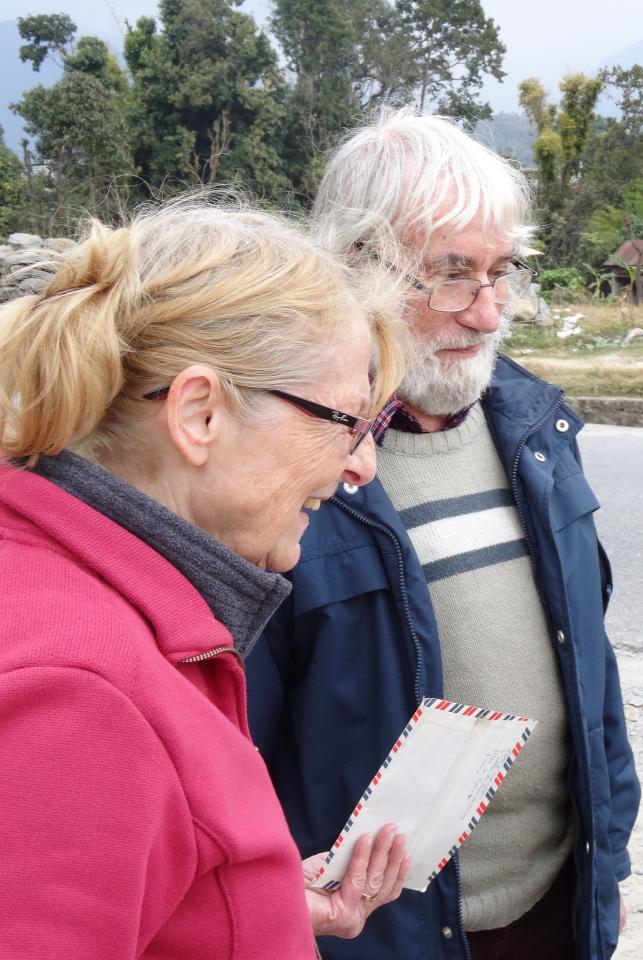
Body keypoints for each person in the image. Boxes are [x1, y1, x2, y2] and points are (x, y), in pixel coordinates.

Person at [246, 107, 639, 960]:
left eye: (503, 273)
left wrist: (611, 836)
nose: (489, 312)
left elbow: (589, 656)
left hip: (554, 906)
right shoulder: (290, 463)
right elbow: (235, 743)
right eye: (454, 275)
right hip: (378, 934)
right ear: (358, 268)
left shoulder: (537, 431)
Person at [0, 199, 415, 959]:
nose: (361, 464)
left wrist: (245, 903)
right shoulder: (80, 696)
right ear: (198, 414)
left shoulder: (81, 595)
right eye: (346, 421)